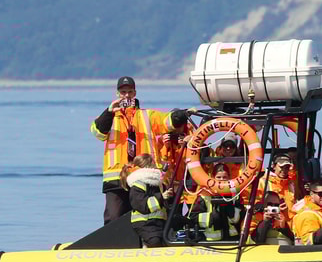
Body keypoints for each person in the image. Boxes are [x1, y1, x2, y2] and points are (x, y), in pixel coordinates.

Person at [91, 76, 192, 224]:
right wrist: (109, 112)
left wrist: (181, 115)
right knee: (114, 216)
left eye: (130, 92)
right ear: (118, 94)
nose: (127, 95)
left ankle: (146, 242)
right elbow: (97, 132)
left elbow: (167, 121)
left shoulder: (147, 115)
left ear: (135, 93)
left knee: (145, 214)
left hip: (144, 175)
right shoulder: (109, 116)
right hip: (116, 177)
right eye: (123, 92)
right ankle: (114, 243)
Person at [123, 154, 174, 247]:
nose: (156, 166)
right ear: (148, 166)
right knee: (155, 241)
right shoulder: (138, 185)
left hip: (159, 222)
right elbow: (143, 206)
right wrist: (161, 198)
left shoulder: (159, 184)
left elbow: (166, 206)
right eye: (154, 163)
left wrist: (169, 196)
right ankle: (145, 248)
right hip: (144, 223)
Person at [189, 166, 245, 241]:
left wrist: (229, 207)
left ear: (229, 178)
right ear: (213, 177)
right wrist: (212, 218)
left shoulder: (235, 195)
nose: (221, 180)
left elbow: (238, 219)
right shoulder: (205, 195)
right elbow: (193, 217)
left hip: (233, 239)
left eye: (225, 177)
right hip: (210, 241)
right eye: (218, 177)